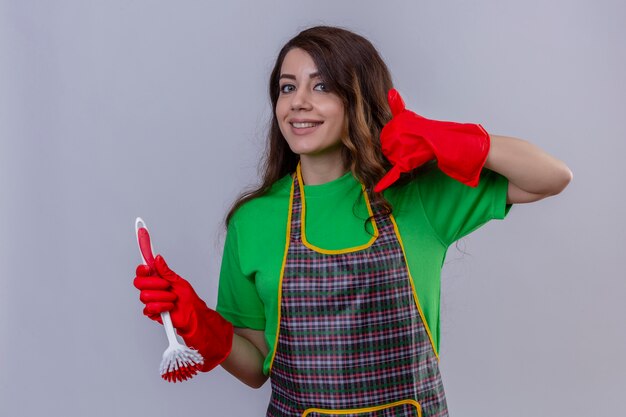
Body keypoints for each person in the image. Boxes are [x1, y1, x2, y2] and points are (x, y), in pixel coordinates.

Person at [133, 26, 572, 416]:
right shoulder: (253, 219)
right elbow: (256, 369)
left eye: (321, 86)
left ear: (358, 99)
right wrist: (202, 325)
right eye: (287, 88)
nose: (298, 102)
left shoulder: (416, 195)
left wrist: (443, 137)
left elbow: (551, 177)